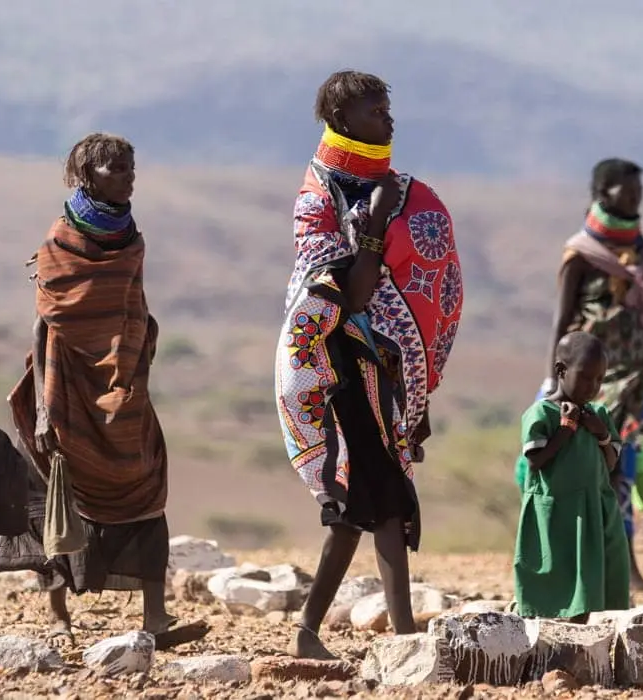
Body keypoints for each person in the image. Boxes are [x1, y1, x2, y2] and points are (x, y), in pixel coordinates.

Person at [277, 70, 464, 659]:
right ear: (341, 120)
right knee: (357, 501)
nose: (389, 120)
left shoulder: (401, 189)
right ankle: (323, 632)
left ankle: (389, 632)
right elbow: (350, 296)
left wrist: (415, 392)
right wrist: (378, 227)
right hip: (335, 370)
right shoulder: (317, 198)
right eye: (375, 111)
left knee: (381, 495)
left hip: (382, 373)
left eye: (388, 108)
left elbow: (428, 280)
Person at [7, 133, 207, 650]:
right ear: (87, 175)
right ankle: (57, 615)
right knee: (62, 485)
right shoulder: (59, 242)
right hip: (69, 379)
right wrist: (45, 408)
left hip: (124, 379)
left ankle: (156, 618)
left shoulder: (130, 238)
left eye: (131, 166)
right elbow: (44, 322)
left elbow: (132, 299)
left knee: (146, 478)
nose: (128, 175)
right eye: (117, 168)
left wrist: (142, 339)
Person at [540, 158, 643, 591]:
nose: (636, 198)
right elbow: (562, 322)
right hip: (591, 384)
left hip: (639, 384)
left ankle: (623, 566)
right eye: (626, 190)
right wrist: (553, 385)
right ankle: (584, 565)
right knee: (591, 471)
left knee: (624, 471)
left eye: (639, 191)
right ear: (603, 193)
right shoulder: (581, 255)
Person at [514, 331, 630, 622]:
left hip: (596, 509)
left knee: (596, 576)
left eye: (600, 379)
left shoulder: (599, 415)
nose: (593, 386)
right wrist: (565, 429)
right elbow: (536, 461)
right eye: (586, 377)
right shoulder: (542, 413)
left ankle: (585, 637)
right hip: (556, 511)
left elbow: (612, 462)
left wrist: (600, 433)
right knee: (555, 573)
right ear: (561, 370)